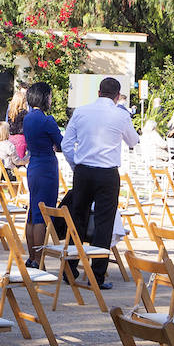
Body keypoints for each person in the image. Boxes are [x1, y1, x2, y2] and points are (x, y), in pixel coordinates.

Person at [60, 76, 140, 288]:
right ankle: (97, 275)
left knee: (77, 218)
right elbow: (133, 141)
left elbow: (66, 144)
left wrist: (76, 166)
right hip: (107, 174)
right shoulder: (120, 115)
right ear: (117, 96)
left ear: (98, 92)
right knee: (104, 222)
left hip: (84, 171)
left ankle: (69, 270)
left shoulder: (81, 112)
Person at [22, 81, 64, 270]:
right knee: (42, 214)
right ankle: (39, 259)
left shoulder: (28, 118)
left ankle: (32, 256)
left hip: (34, 166)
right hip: (46, 166)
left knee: (33, 212)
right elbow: (61, 143)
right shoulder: (48, 120)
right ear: (44, 97)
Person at [6, 87, 29, 163]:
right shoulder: (25, 113)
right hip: (21, 139)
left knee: (11, 161)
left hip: (11, 138)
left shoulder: (10, 112)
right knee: (19, 162)